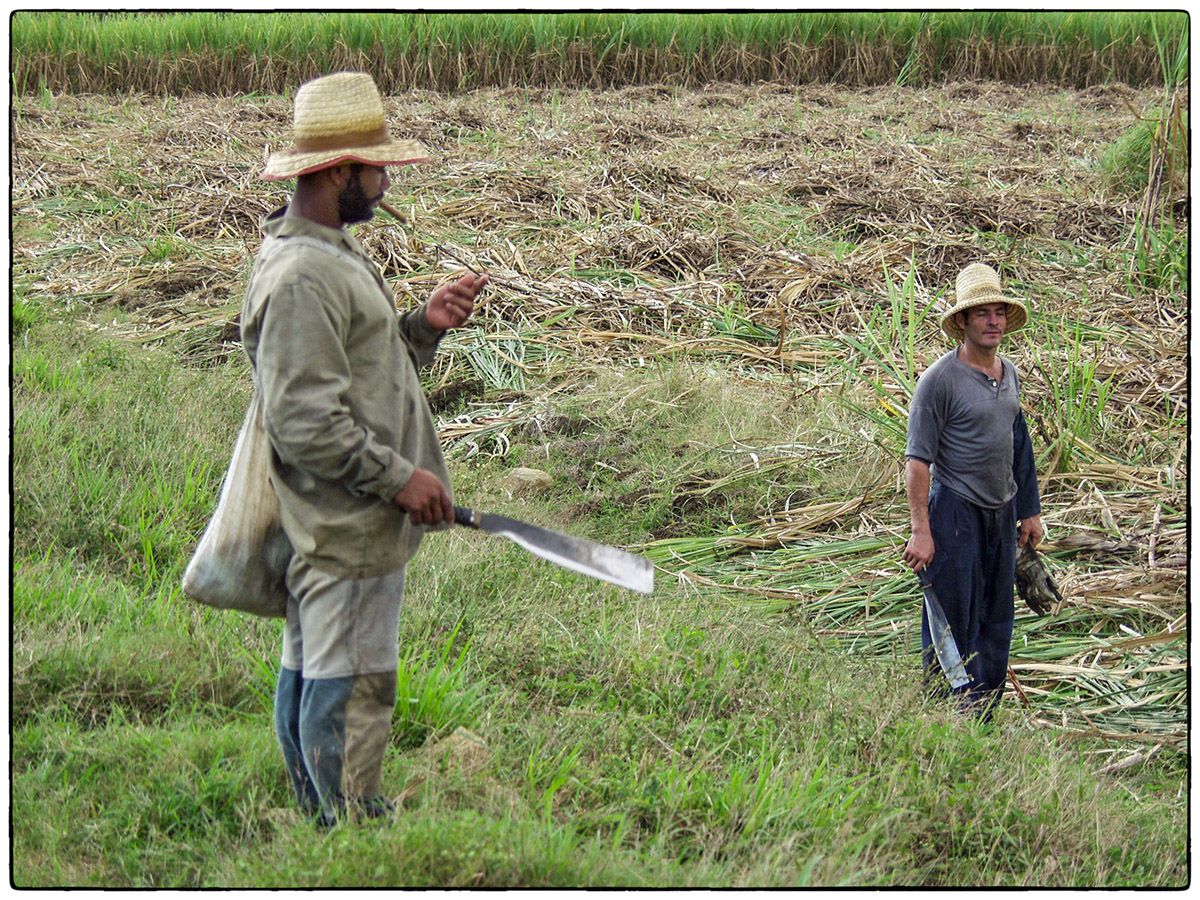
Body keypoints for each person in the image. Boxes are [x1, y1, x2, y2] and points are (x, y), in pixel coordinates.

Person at [240, 72, 489, 826]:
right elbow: (306, 421)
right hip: (347, 522)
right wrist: (400, 478)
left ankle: (320, 813)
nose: (385, 182)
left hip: (344, 517)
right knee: (353, 682)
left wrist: (422, 325)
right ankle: (349, 829)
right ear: (337, 171)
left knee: (316, 666)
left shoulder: (327, 251)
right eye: (376, 167)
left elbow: (361, 373)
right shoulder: (303, 276)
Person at [902, 262, 1042, 720]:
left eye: (998, 313)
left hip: (1000, 514)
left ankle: (982, 712)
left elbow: (1017, 443)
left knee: (996, 616)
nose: (993, 321)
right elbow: (917, 462)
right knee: (952, 614)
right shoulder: (938, 381)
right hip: (955, 512)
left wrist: (1029, 510)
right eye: (982, 314)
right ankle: (944, 713)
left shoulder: (1009, 373)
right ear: (962, 321)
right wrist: (921, 530)